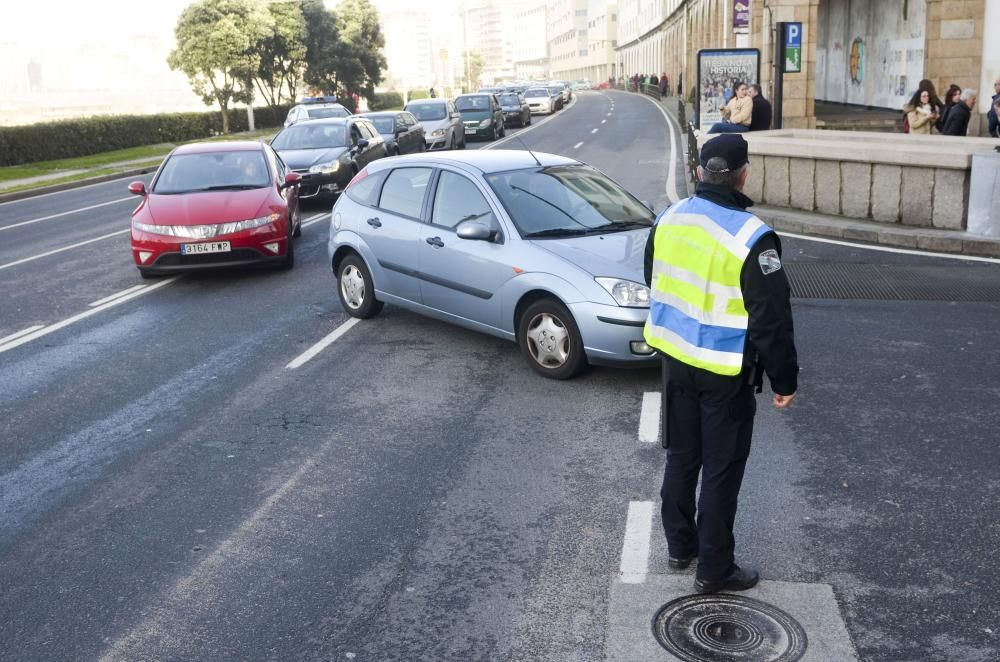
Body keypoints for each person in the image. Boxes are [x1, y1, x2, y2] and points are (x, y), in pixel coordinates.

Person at [643, 133, 798, 594]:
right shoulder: (752, 237)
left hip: (674, 359)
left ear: (698, 173)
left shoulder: (668, 217)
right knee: (721, 469)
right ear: (744, 175)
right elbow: (772, 318)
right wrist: (783, 379)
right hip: (724, 369)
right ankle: (714, 569)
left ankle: (680, 547)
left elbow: (653, 274)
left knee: (681, 457)